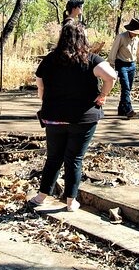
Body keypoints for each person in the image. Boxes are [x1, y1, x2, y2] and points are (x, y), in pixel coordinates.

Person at [28, 21, 117, 212]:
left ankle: (41, 197)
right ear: (83, 38)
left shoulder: (50, 59)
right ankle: (70, 202)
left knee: (53, 158)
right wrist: (103, 95)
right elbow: (111, 76)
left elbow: (40, 85)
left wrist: (48, 104)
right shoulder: (91, 59)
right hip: (82, 119)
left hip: (54, 118)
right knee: (74, 159)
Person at [108, 18, 139, 118]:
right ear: (130, 30)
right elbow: (113, 52)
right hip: (121, 64)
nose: (136, 34)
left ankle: (121, 109)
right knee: (125, 87)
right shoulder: (120, 37)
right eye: (134, 32)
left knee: (128, 89)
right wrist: (111, 65)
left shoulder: (137, 39)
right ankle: (129, 109)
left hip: (132, 65)